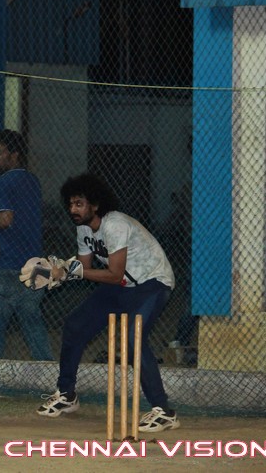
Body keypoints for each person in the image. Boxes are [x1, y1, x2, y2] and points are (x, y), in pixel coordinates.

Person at [34, 172, 180, 432]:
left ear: (96, 204)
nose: (73, 209)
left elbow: (113, 273)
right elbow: (85, 266)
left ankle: (164, 411)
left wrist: (72, 271)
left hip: (152, 284)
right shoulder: (83, 228)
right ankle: (66, 395)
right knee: (75, 326)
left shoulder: (115, 224)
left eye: (79, 204)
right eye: (70, 204)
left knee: (133, 339)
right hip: (121, 286)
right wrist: (57, 270)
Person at [0, 129, 52, 360]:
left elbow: (5, 220)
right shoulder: (33, 180)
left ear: (14, 155)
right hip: (35, 263)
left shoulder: (3, 182)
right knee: (33, 323)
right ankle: (47, 369)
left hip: (7, 265)